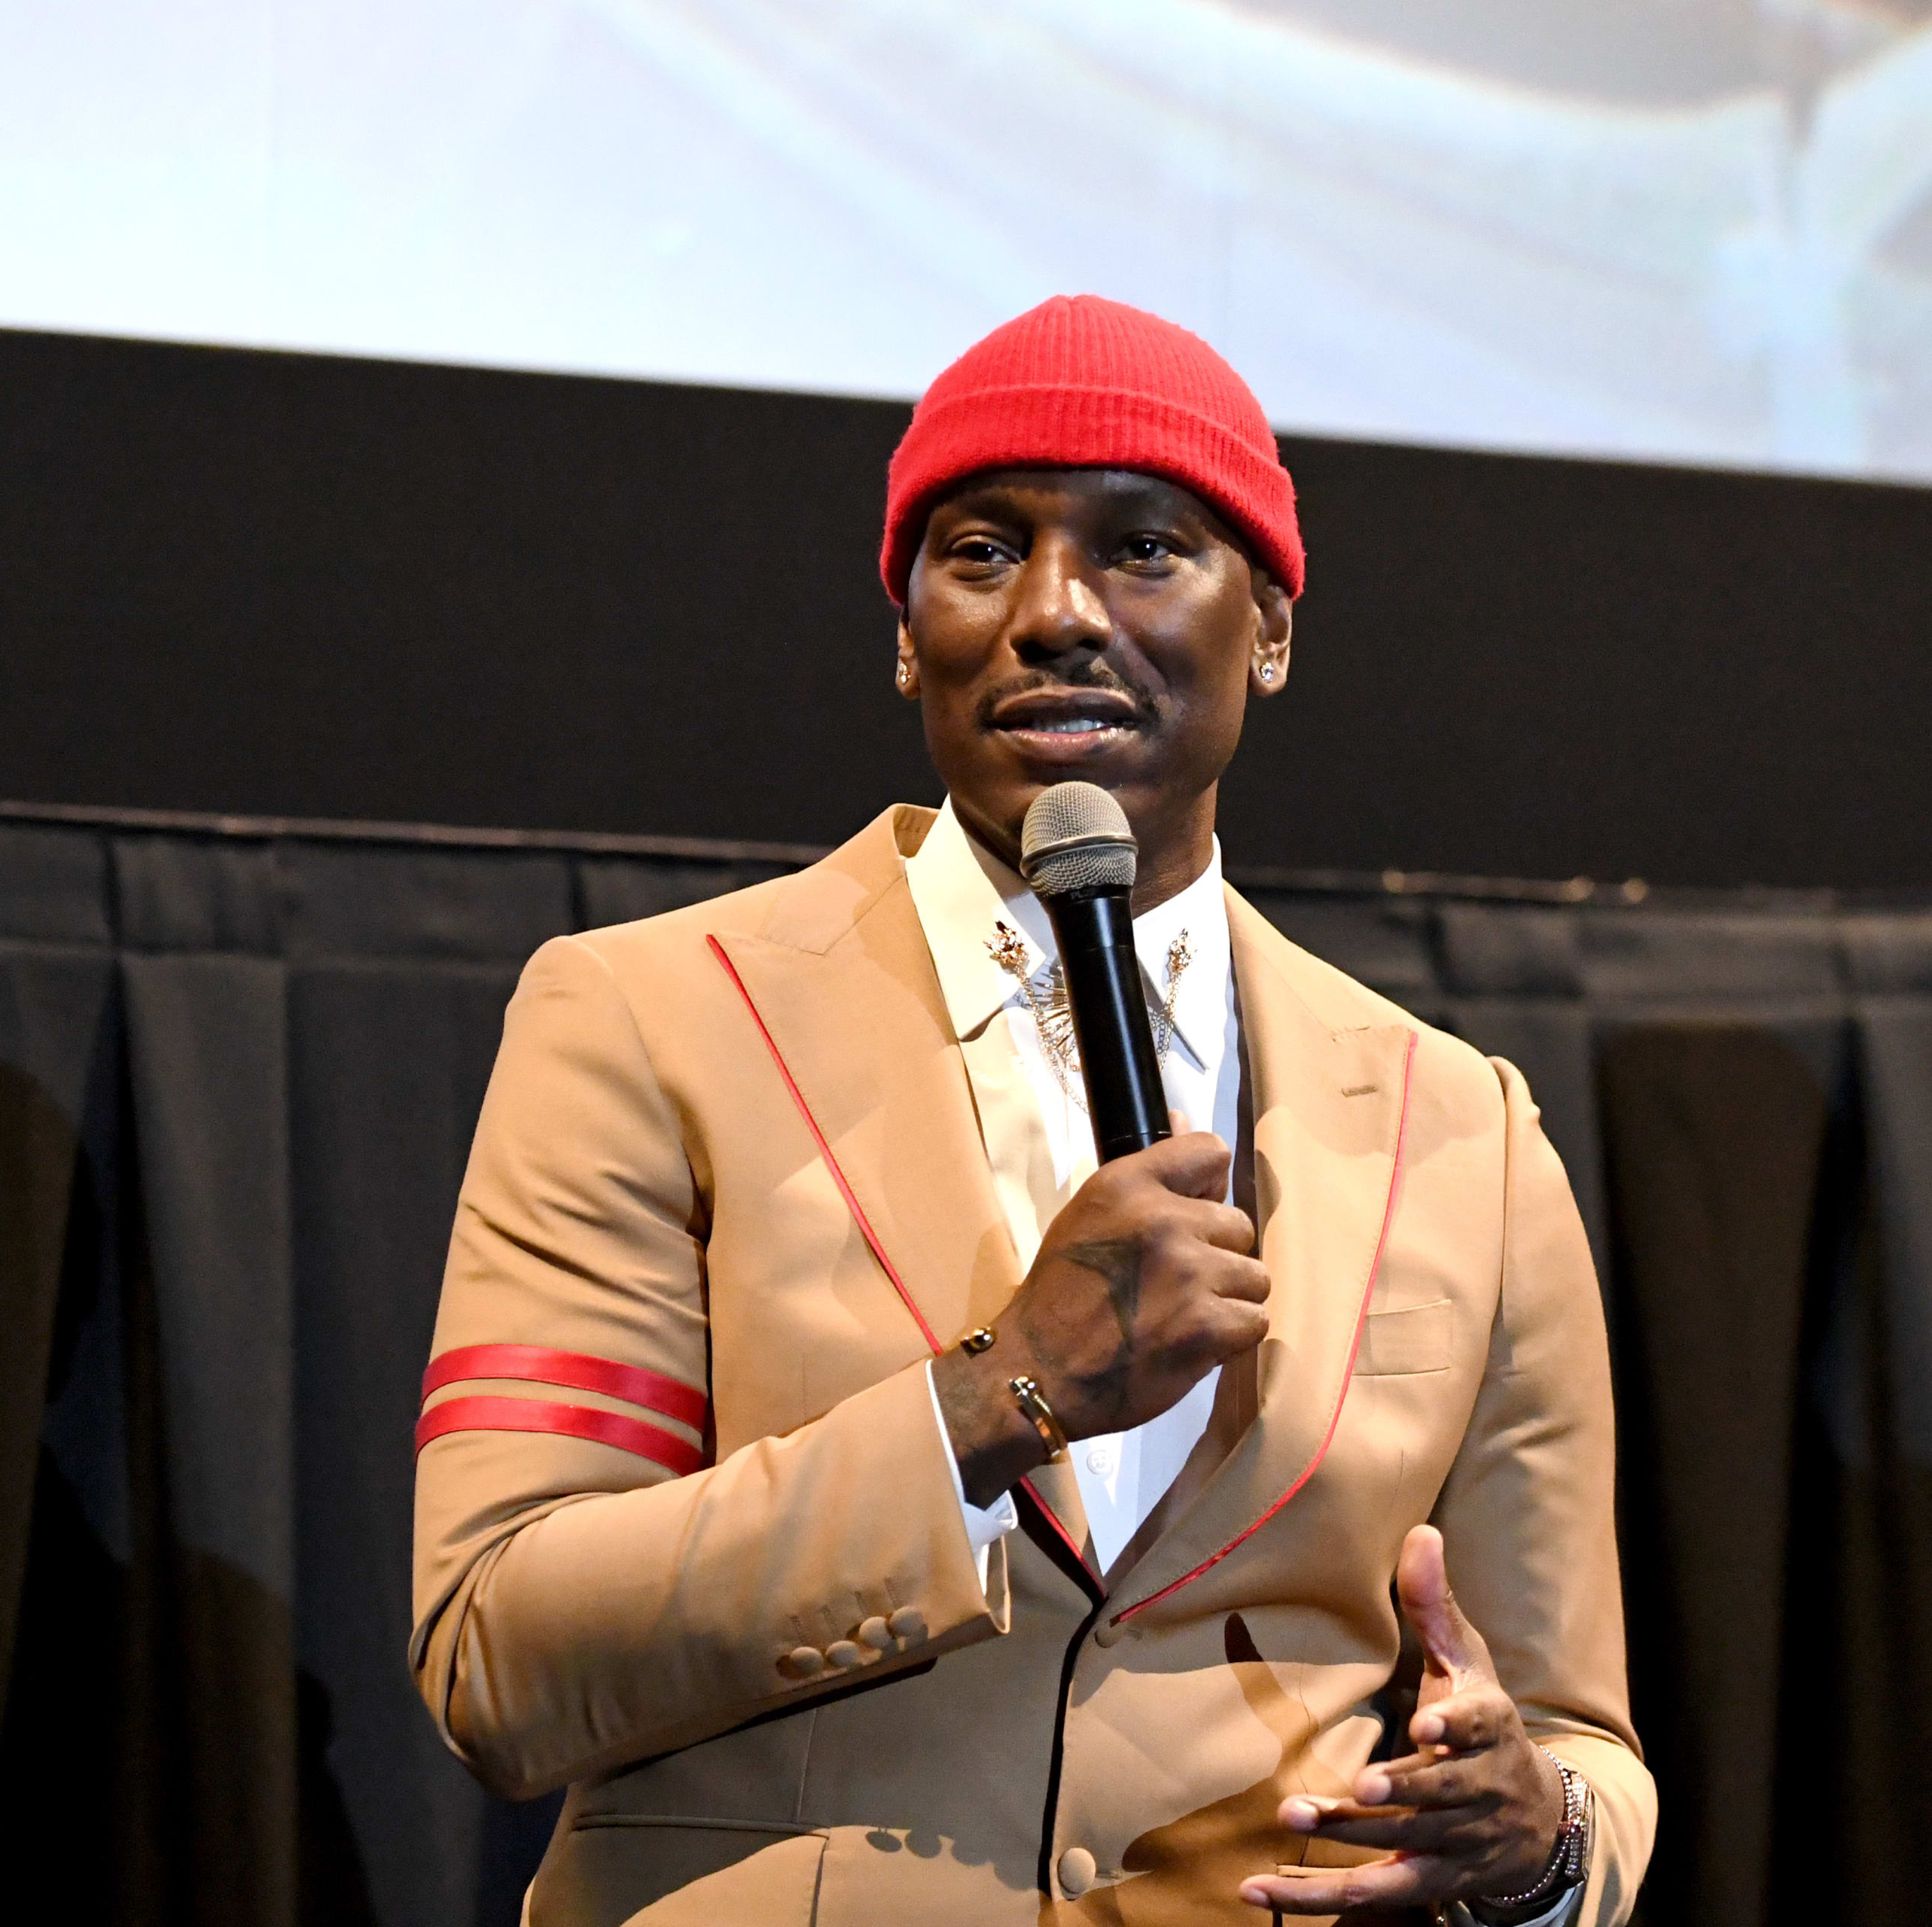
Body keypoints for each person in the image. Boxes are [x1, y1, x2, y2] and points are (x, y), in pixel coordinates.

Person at [412, 294, 1653, 1925]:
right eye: (984, 550)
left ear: (1270, 628)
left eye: (1145, 551)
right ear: (907, 628)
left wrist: (1540, 1840)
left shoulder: (1464, 1132)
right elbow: (498, 1644)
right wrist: (996, 1395)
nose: (1057, 611)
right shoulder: (650, 1019)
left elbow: (1579, 1739)